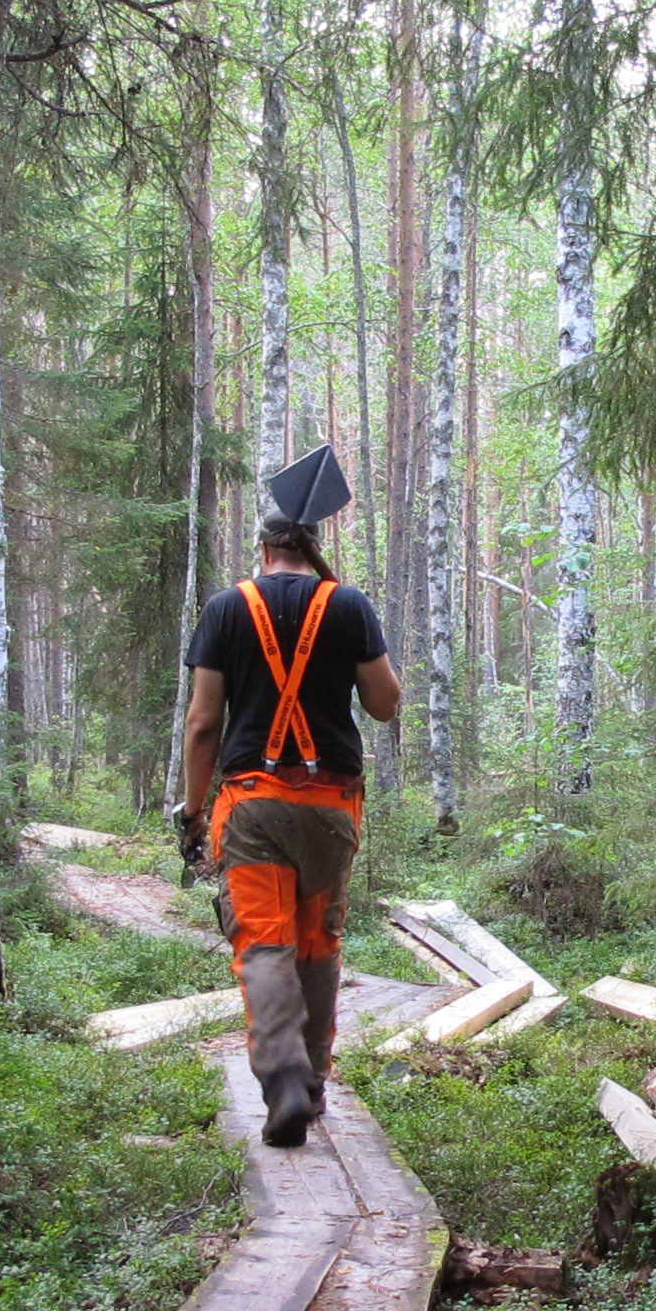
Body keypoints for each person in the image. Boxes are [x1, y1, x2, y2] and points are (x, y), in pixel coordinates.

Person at [177, 445, 400, 1146]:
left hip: (252, 805)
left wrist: (190, 809)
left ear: (263, 548)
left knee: (263, 943)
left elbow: (204, 721)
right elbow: (386, 705)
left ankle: (281, 1077)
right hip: (332, 808)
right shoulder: (349, 604)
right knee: (317, 944)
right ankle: (315, 1081)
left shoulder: (225, 609)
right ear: (312, 546)